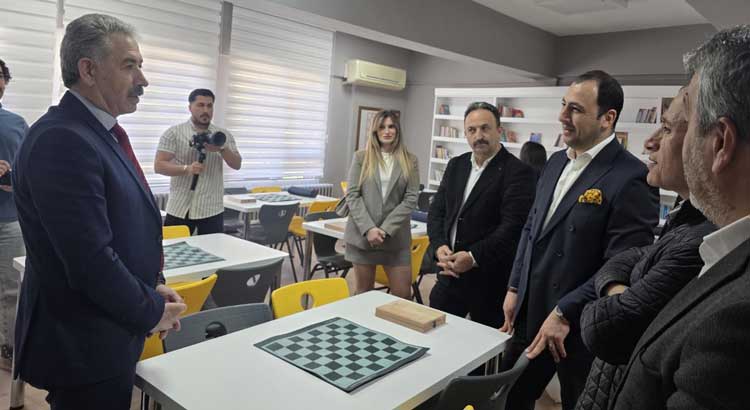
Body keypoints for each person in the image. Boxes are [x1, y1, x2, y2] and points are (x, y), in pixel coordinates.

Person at [12, 14, 186, 409]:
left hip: (106, 330)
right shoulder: (62, 139)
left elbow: (119, 229)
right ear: (88, 70)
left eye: (140, 66)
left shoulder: (95, 133)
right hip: (83, 344)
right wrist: (150, 311)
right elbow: (89, 260)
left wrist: (151, 285)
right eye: (129, 66)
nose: (143, 80)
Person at [499, 70, 659, 410]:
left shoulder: (631, 177)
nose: (562, 116)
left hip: (580, 327)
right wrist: (514, 287)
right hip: (531, 312)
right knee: (510, 399)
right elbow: (531, 229)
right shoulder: (555, 161)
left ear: (607, 118)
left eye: (575, 109)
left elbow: (622, 264)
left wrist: (565, 311)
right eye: (563, 105)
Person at [610, 25, 750, 410]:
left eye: (680, 126)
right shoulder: (722, 247)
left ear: (720, 143)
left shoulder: (735, 320)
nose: (656, 141)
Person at [573, 87, 716, 410]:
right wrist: (619, 287)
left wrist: (617, 291)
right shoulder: (686, 214)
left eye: (666, 128)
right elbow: (629, 257)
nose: (650, 142)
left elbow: (606, 327)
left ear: (719, 143)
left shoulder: (702, 240)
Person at [428, 102, 536, 327]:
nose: (479, 136)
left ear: (499, 130)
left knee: (485, 345)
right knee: (435, 337)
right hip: (449, 276)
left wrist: (473, 256)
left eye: (485, 128)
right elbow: (437, 212)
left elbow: (512, 228)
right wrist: (439, 247)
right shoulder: (456, 165)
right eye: (472, 130)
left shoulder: (519, 172)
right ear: (466, 134)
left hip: (489, 283)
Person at [343, 110, 419, 299]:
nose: (387, 131)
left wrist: (385, 229)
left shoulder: (410, 160)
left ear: (397, 129)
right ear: (375, 131)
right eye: (382, 127)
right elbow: (352, 195)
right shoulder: (361, 157)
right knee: (364, 295)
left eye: (391, 126)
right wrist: (369, 229)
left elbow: (411, 198)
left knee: (403, 296)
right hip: (363, 237)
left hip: (395, 238)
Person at [155, 88, 241, 235]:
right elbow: (159, 165)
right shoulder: (174, 133)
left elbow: (237, 164)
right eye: (200, 105)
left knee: (213, 249)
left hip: (211, 209)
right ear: (190, 107)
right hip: (180, 207)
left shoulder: (223, 135)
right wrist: (187, 169)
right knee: (174, 248)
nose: (205, 110)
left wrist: (222, 149)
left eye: (209, 105)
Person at [0, 58, 27, 370]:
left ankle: (9, 348)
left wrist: (12, 177)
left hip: (9, 219)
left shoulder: (17, 123)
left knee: (10, 288)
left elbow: (32, 169)